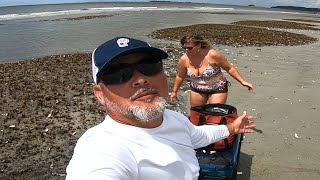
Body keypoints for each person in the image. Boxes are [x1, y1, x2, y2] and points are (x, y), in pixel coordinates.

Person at [66, 37, 256, 180]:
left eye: (148, 66)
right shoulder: (102, 147)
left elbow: (198, 136)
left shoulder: (174, 118)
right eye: (119, 74)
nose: (140, 79)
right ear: (100, 94)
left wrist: (232, 128)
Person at [170, 34, 253, 108]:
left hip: (217, 88)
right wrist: (174, 91)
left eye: (190, 48)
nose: (186, 50)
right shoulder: (184, 59)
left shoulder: (213, 55)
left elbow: (229, 68)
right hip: (197, 89)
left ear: (198, 45)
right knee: (196, 117)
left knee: (214, 116)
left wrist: (242, 81)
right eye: (184, 48)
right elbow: (180, 76)